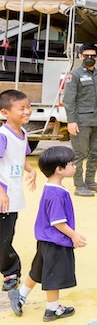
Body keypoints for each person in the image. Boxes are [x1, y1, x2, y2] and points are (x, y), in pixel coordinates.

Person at [8, 146, 83, 321]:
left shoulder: (51, 187)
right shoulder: (56, 194)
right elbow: (58, 222)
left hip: (45, 239)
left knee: (39, 269)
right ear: (59, 169)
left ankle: (20, 295)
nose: (75, 166)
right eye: (71, 163)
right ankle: (52, 309)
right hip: (55, 240)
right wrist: (74, 235)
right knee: (53, 275)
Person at [63, 43, 97, 197]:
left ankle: (90, 181)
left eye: (93, 56)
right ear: (80, 56)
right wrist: (71, 121)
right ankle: (79, 186)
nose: (90, 58)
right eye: (86, 56)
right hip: (81, 122)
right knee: (79, 154)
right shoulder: (74, 75)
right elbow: (69, 101)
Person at [1, 89, 38, 293]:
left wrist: (31, 170)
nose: (27, 112)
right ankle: (11, 271)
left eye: (29, 107)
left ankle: (10, 270)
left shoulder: (22, 134)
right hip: (3, 195)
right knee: (2, 238)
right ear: (5, 112)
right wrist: (1, 191)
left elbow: (19, 158)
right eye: (21, 108)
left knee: (6, 235)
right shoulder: (2, 135)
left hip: (12, 195)